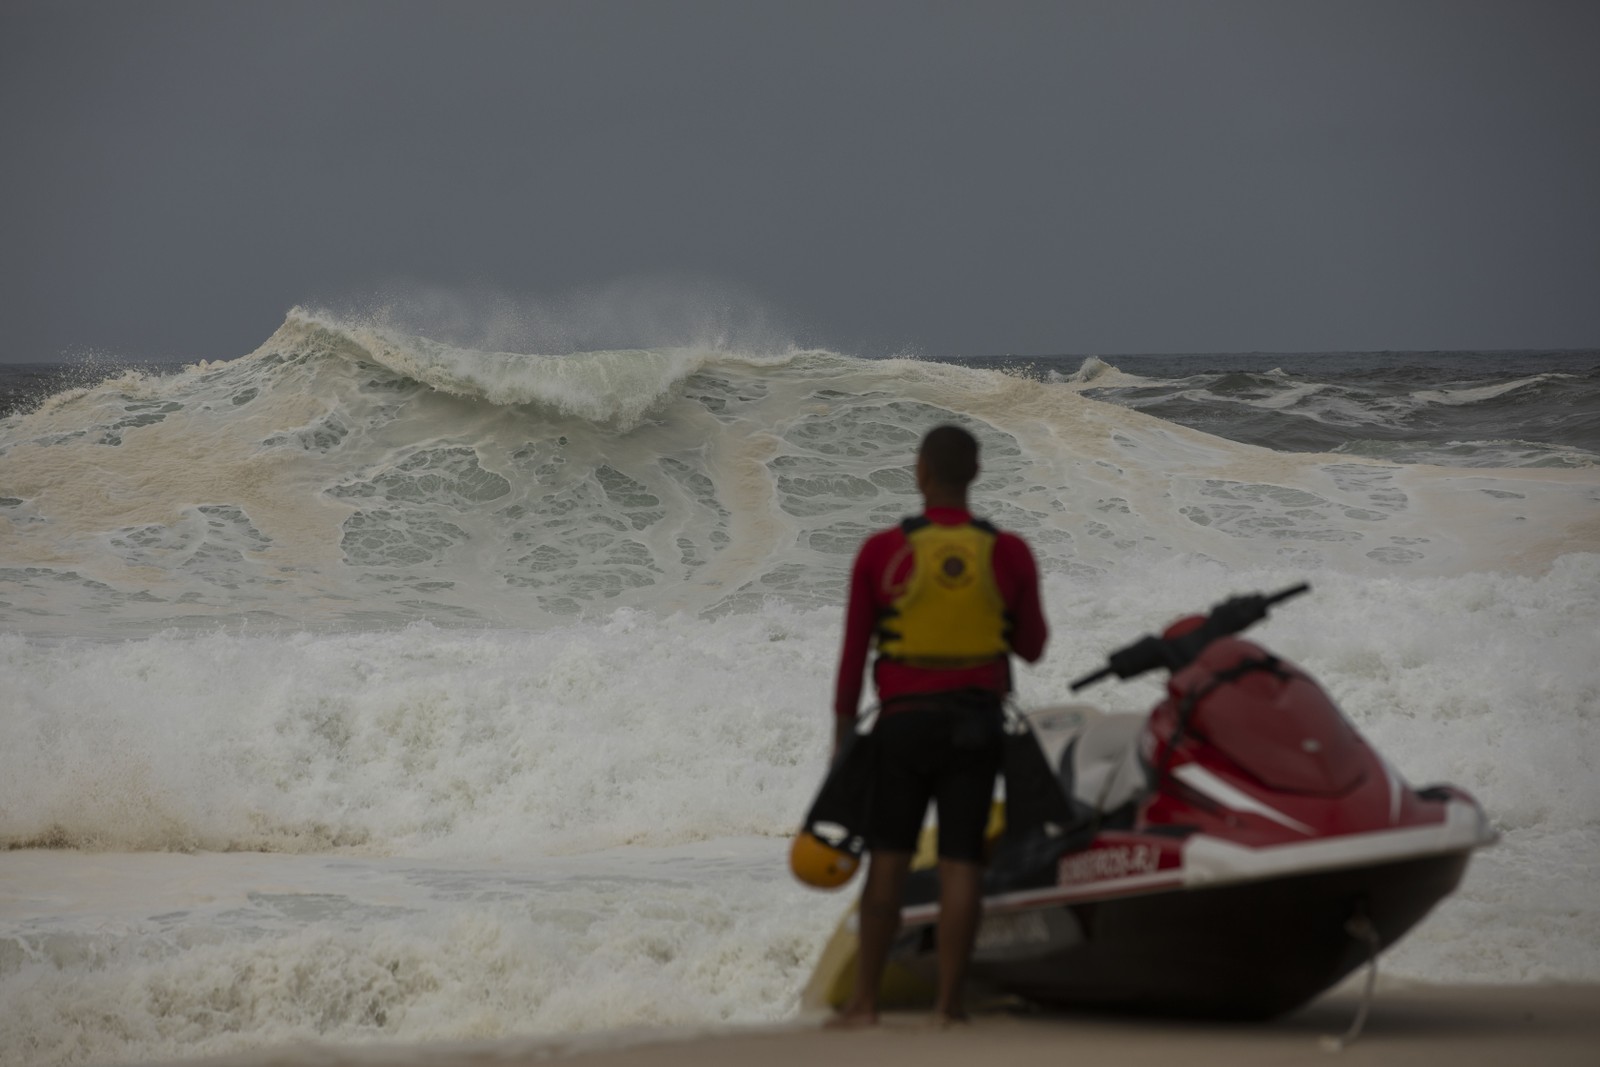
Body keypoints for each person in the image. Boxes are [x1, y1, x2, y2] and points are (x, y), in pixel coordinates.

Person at [828, 423, 1048, 1027]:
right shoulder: (1007, 552)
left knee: (889, 861)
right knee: (960, 864)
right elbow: (1032, 647)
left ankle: (864, 1005)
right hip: (975, 729)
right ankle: (948, 1006)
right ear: (975, 474)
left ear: (919, 473)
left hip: (900, 728)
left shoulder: (881, 552)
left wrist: (842, 746)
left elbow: (852, 661)